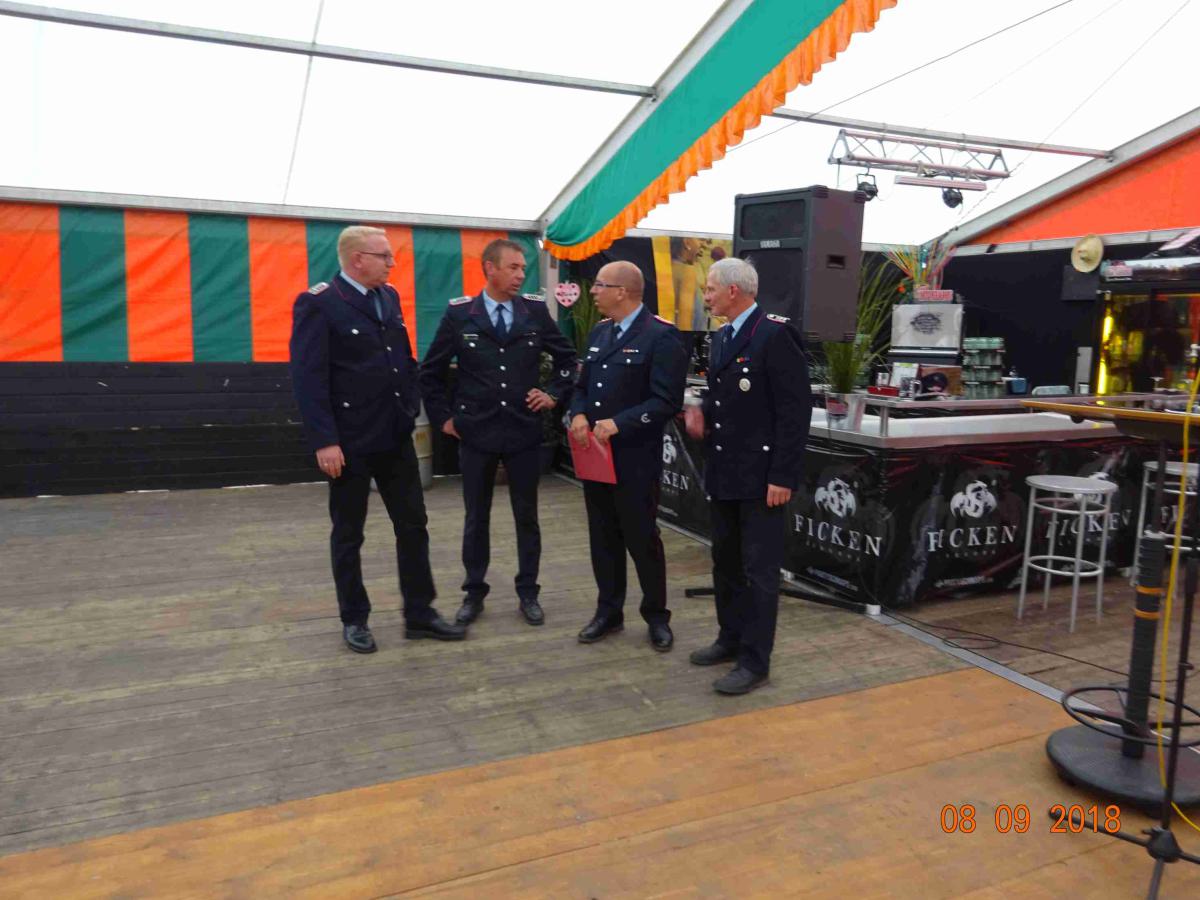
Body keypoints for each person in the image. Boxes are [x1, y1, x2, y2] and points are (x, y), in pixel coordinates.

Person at [289, 225, 464, 654]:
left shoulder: (388, 297)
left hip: (394, 434)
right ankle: (354, 618)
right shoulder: (320, 303)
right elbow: (309, 378)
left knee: (414, 525)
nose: (391, 262)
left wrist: (411, 405)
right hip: (348, 442)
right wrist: (324, 440)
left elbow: (400, 357)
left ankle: (420, 613)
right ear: (357, 259)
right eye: (384, 256)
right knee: (349, 533)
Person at [420, 238, 576, 627]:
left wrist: (553, 394)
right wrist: (444, 419)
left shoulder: (534, 311)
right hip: (476, 432)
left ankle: (529, 592)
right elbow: (430, 372)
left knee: (527, 517)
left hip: (523, 431)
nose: (521, 275)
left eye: (523, 268)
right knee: (477, 517)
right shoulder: (461, 314)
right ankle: (474, 593)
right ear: (490, 268)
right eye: (513, 267)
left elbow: (567, 359)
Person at [684, 257, 812, 694]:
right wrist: (701, 411)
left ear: (733, 291)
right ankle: (730, 638)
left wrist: (783, 476)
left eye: (710, 289)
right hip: (726, 470)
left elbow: (794, 413)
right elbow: (725, 398)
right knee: (725, 562)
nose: (706, 296)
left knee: (759, 571)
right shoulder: (723, 336)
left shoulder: (774, 335)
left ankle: (755, 661)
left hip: (761, 478)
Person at [568, 261, 689, 651]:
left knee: (642, 539)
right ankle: (608, 612)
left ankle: (656, 616)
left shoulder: (661, 336)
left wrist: (620, 423)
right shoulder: (600, 332)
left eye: (599, 285)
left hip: (635, 459)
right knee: (602, 536)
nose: (592, 291)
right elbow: (581, 386)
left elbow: (666, 401)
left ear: (622, 291)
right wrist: (579, 413)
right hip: (595, 457)